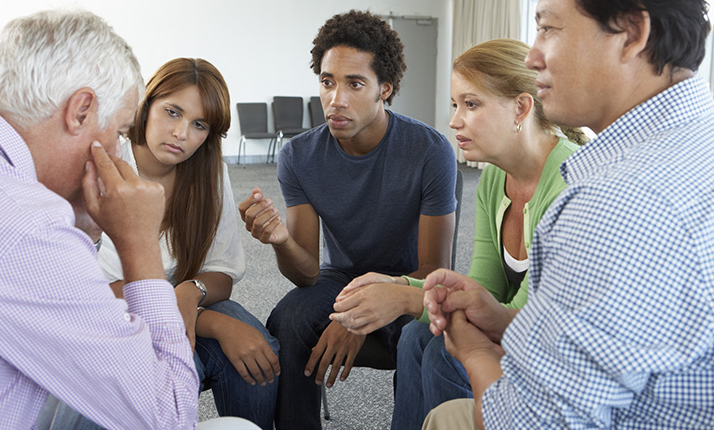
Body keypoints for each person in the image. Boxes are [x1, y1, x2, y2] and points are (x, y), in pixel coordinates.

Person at [422, 0, 714, 429]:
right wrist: (506, 322)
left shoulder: (615, 204)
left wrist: (475, 350)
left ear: (632, 33)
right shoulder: (692, 139)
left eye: (549, 29)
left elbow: (526, 422)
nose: (532, 55)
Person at [238, 10, 458, 429]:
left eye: (354, 84)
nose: (335, 99)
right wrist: (282, 240)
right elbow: (306, 275)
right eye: (327, 81)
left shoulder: (430, 151)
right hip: (339, 279)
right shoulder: (299, 156)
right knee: (290, 319)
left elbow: (436, 269)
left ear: (384, 90)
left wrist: (361, 318)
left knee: (425, 339)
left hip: (410, 281)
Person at [0, 9, 199, 429]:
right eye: (122, 132)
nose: (122, 150)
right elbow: (171, 416)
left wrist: (84, 226)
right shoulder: (30, 228)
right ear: (82, 110)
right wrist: (140, 244)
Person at [49, 58, 279, 430]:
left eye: (198, 124)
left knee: (258, 346)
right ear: (147, 103)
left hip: (180, 305)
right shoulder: (106, 167)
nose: (181, 134)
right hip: (110, 317)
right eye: (172, 112)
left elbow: (222, 270)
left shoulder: (210, 173)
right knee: (211, 341)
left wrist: (191, 292)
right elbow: (100, 293)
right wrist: (206, 320)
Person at [369, 38, 584, 430]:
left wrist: (402, 296)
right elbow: (485, 286)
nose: (454, 121)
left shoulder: (568, 182)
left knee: (440, 353)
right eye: (455, 105)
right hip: (516, 322)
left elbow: (524, 309)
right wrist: (397, 284)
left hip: (557, 347)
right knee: (415, 338)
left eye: (471, 104)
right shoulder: (494, 180)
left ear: (521, 107)